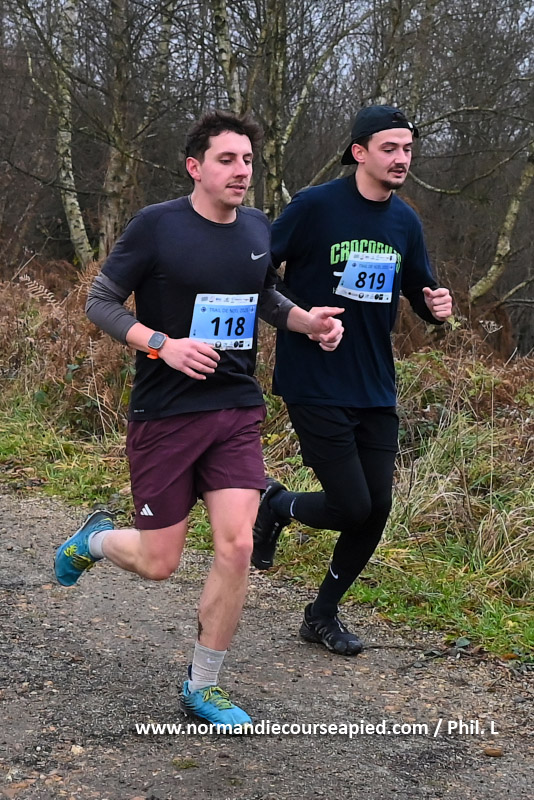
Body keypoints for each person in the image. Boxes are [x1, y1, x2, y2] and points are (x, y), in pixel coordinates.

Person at [54, 110, 344, 729]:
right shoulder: (157, 226)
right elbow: (100, 301)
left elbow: (263, 295)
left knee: (237, 545)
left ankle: (202, 686)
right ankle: (94, 541)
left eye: (247, 161)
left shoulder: (258, 227)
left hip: (235, 407)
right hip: (165, 412)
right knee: (159, 563)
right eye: (227, 160)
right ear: (195, 167)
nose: (241, 171)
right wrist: (162, 345)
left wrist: (307, 322)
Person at [251, 104, 452, 656]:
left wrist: (437, 307)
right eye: (390, 148)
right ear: (359, 152)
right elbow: (258, 272)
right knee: (349, 504)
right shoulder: (315, 206)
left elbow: (421, 291)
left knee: (376, 506)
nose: (401, 158)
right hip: (314, 377)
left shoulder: (405, 222)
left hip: (375, 383)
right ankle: (276, 505)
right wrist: (300, 319)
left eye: (407, 149)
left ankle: (321, 614)